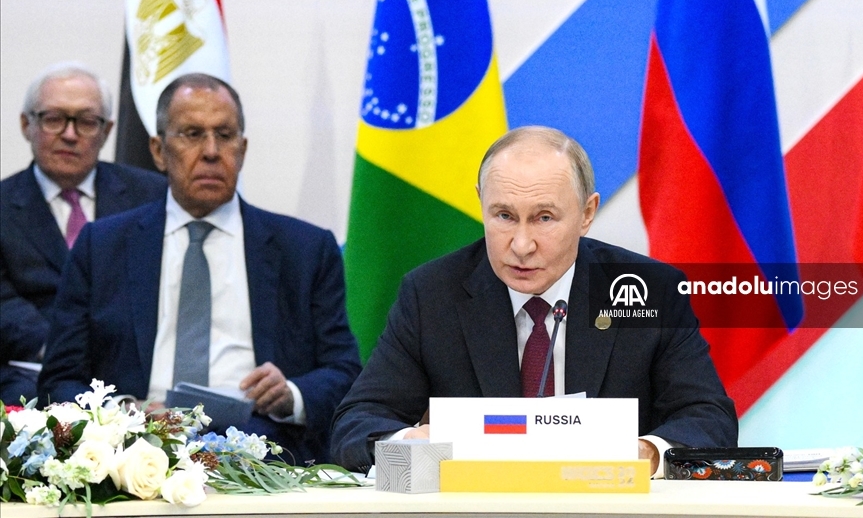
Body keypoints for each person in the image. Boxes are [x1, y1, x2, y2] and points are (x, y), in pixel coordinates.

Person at [330, 126, 737, 477]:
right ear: (481, 203)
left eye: (544, 218)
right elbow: (356, 423)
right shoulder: (432, 295)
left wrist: (647, 453)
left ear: (587, 213)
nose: (521, 245)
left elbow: (709, 416)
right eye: (504, 216)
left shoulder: (647, 290)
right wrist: (410, 442)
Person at [38, 73, 361, 463]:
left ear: (242, 150)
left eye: (224, 135)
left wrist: (292, 394)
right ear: (158, 151)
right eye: (192, 134)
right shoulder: (102, 246)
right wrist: (119, 413)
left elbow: (344, 371)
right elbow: (59, 379)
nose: (211, 151)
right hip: (134, 451)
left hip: (264, 450)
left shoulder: (305, 249)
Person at [1, 62, 165, 404]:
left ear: (106, 131)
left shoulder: (153, 196)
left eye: (87, 121)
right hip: (30, 367)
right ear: (26, 125)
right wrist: (63, 348)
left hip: (131, 365)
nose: (70, 134)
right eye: (54, 119)